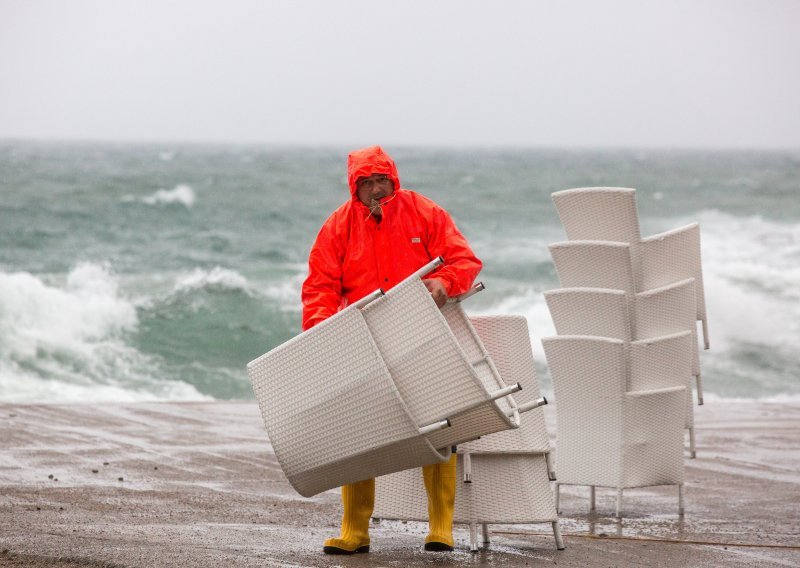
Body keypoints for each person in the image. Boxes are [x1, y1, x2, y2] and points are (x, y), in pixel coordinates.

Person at [301, 145, 482, 554]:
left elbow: (463, 259)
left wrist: (444, 283)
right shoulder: (338, 225)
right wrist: (320, 325)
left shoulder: (423, 211)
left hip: (422, 334)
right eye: (366, 183)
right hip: (363, 339)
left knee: (440, 424)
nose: (376, 189)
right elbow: (320, 285)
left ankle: (440, 528)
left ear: (393, 179)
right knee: (359, 431)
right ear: (355, 188)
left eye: (382, 180)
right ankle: (354, 531)